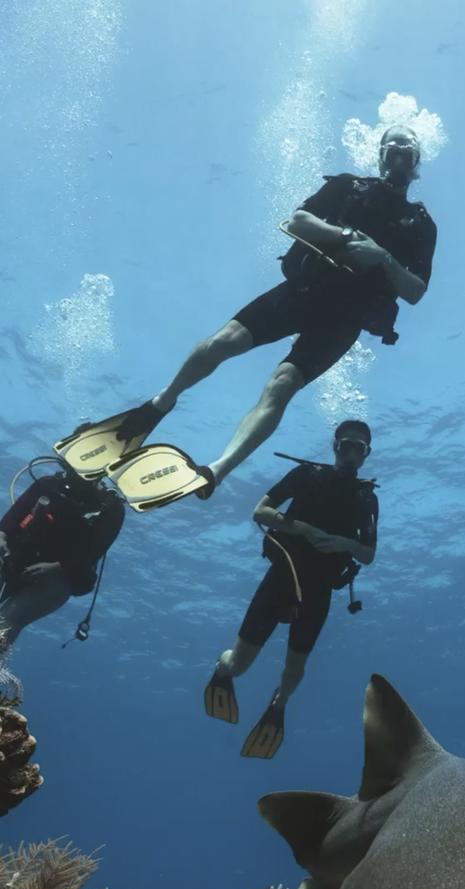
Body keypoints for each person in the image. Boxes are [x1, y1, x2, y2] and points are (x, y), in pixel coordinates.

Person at [82, 125, 436, 498]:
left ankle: (217, 470)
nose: (399, 150)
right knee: (224, 342)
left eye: (407, 146)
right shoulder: (349, 187)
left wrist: (382, 257)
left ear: (416, 161)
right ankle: (159, 405)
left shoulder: (422, 224)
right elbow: (299, 221)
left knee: (281, 385)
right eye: (391, 143)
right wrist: (346, 237)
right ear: (379, 153)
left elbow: (416, 291)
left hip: (345, 318)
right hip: (305, 289)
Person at [204, 420, 378, 758]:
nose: (353, 453)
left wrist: (340, 542)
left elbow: (368, 554)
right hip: (281, 578)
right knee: (240, 663)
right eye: (347, 445)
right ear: (335, 446)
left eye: (361, 448)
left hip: (319, 591)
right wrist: (303, 530)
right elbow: (261, 510)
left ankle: (278, 704)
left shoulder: (366, 499)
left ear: (367, 454)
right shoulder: (306, 476)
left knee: (295, 668)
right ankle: (222, 670)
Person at [0, 463, 124, 653]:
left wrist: (56, 566)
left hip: (61, 577)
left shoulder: (110, 508)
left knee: (8, 620)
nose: (73, 475)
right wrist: (2, 538)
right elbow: (12, 518)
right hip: (15, 558)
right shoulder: (48, 484)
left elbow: (94, 551)